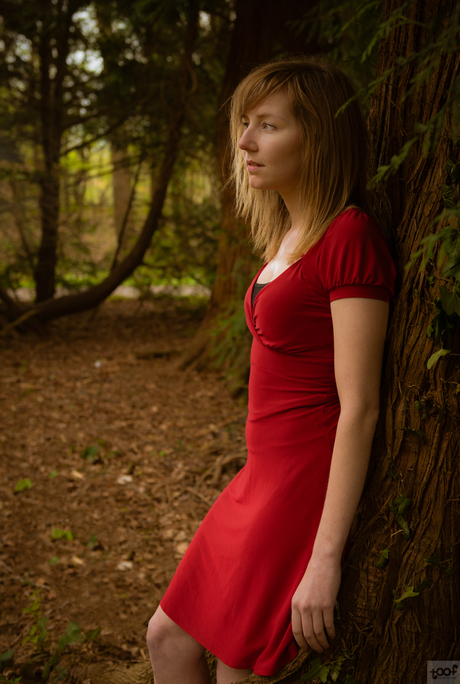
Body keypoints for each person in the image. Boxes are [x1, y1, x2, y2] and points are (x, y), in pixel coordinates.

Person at [146, 57, 396, 684]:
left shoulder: (350, 236)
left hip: (300, 488)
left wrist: (325, 560)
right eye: (245, 124)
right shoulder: (289, 236)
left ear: (318, 139)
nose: (245, 142)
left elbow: (360, 407)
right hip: (256, 478)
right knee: (167, 637)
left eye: (268, 125)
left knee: (234, 669)